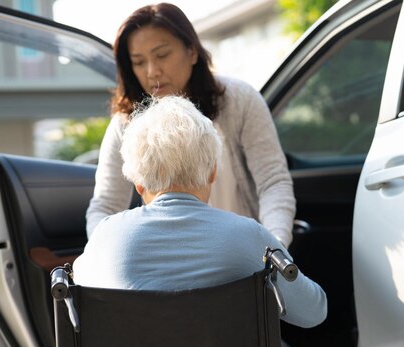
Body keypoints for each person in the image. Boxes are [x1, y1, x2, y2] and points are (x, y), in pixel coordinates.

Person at [73, 96, 326, 329]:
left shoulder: (106, 238)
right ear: (213, 171)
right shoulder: (249, 238)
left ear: (139, 184)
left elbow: (82, 302)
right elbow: (314, 311)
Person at [86, 2, 296, 247]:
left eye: (162, 54)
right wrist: (106, 256)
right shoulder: (126, 122)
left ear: (192, 51)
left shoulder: (240, 100)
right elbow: (105, 205)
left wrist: (275, 247)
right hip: (167, 267)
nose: (152, 71)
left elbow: (273, 181)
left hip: (243, 258)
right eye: (139, 62)